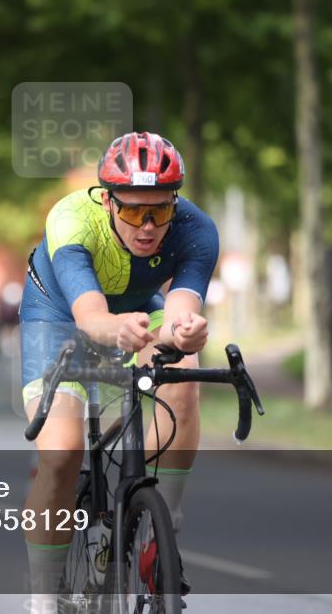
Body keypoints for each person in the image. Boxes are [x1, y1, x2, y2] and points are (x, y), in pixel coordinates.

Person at [19, 132, 218, 608]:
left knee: (185, 373)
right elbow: (90, 318)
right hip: (59, 314)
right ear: (107, 201)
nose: (148, 226)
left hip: (134, 310)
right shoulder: (71, 218)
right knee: (63, 451)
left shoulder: (197, 229)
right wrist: (114, 330)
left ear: (175, 201)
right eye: (132, 211)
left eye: (160, 210)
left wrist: (184, 334)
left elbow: (177, 315)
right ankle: (45, 598)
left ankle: (159, 529)